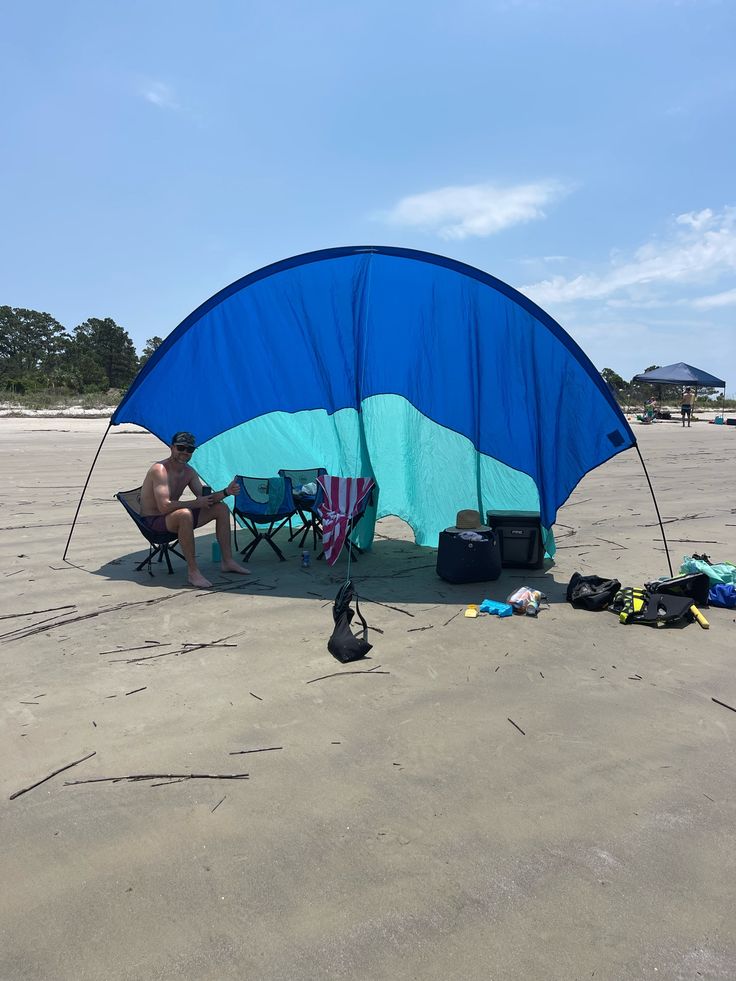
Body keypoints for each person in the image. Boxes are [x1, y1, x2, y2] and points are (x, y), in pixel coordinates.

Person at [139, 431, 249, 588]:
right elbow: (164, 507)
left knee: (221, 508)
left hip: (172, 517)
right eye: (181, 447)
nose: (184, 452)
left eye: (189, 449)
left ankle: (228, 561)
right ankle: (193, 572)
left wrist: (227, 492)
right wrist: (196, 503)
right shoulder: (160, 469)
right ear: (172, 447)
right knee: (185, 514)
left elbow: (207, 501)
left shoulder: (189, 472)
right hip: (153, 522)